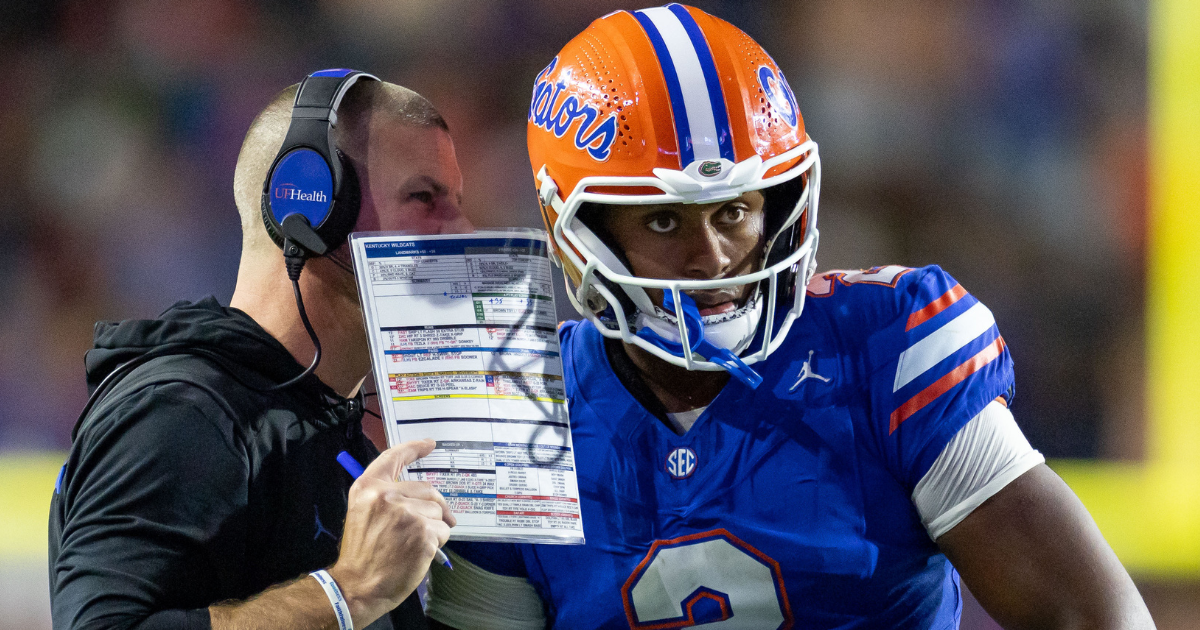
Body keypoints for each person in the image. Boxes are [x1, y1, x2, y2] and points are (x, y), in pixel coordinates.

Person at [424, 6, 1155, 629]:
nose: (713, 257)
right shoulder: (511, 413)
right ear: (576, 233)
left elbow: (1093, 616)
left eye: (734, 211)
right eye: (664, 221)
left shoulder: (886, 347)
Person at [49, 73, 471, 630]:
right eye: (423, 198)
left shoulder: (330, 427)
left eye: (456, 203)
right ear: (312, 207)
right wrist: (349, 591)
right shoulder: (181, 415)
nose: (461, 230)